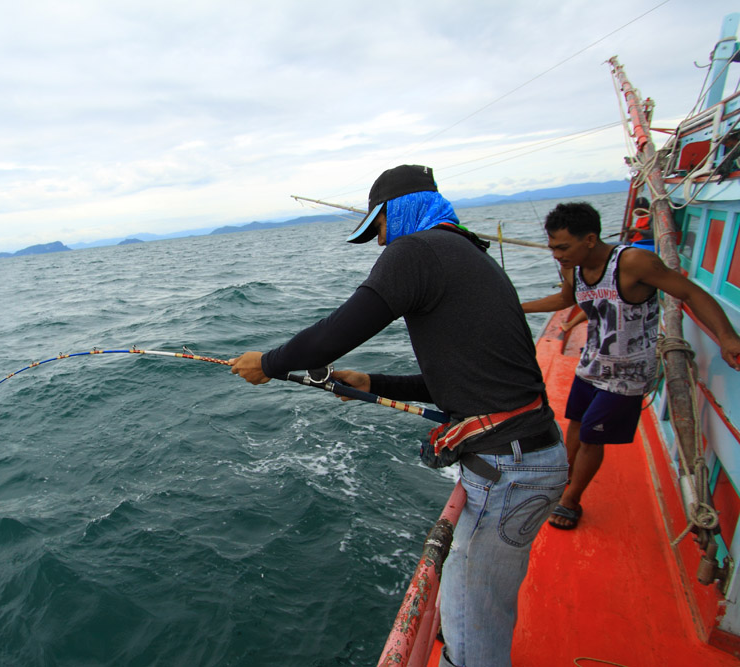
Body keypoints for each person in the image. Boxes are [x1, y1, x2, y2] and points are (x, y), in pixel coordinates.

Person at [230, 164, 568, 667]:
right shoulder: (470, 254)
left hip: (509, 468)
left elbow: (335, 332)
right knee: (484, 603)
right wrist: (374, 383)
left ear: (401, 211)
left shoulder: (416, 251)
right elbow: (465, 382)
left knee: (469, 617)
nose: (381, 242)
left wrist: (270, 363)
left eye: (380, 227)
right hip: (530, 457)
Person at [522, 201, 740, 530]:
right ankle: (562, 479)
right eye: (553, 247)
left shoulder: (635, 262)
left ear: (590, 239)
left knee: (593, 438)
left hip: (628, 374)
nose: (557, 254)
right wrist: (517, 306)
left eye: (563, 247)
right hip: (591, 364)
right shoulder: (572, 267)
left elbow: (691, 293)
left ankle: (571, 500)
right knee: (577, 426)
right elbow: (568, 300)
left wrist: (727, 337)